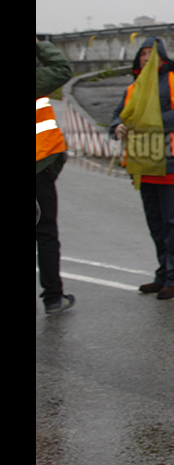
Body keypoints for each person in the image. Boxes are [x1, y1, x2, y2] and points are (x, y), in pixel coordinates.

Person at [109, 37, 174, 300]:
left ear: (162, 58)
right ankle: (163, 275)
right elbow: (117, 115)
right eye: (142, 54)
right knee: (157, 224)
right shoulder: (133, 88)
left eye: (151, 53)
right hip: (143, 164)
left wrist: (153, 121)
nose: (146, 58)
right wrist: (117, 126)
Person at [37, 37, 75, 315]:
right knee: (46, 232)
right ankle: (53, 297)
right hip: (40, 166)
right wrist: (39, 44)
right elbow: (62, 68)